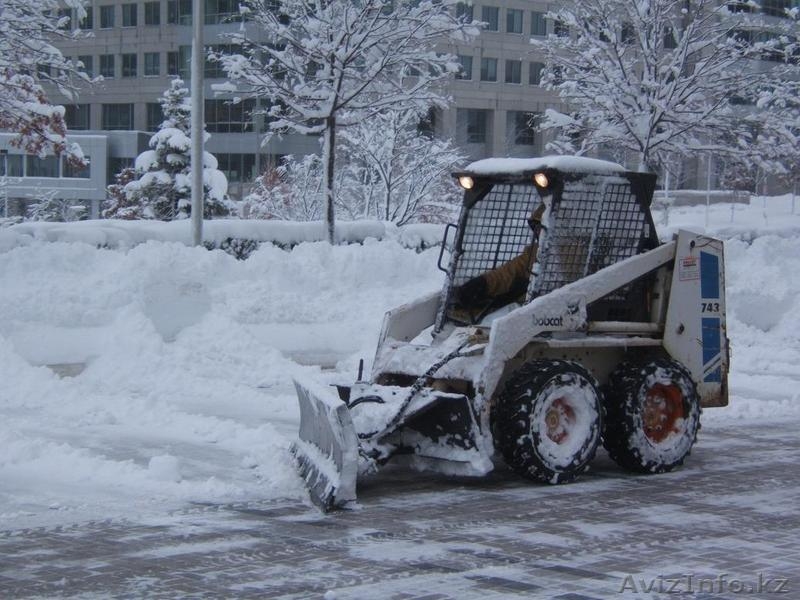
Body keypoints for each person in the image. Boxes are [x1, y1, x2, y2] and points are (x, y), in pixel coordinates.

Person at [454, 203, 545, 313]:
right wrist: (484, 283)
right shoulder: (534, 252)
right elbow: (508, 273)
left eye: (542, 227)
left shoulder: (567, 256)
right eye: (537, 228)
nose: (539, 232)